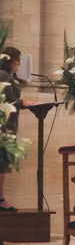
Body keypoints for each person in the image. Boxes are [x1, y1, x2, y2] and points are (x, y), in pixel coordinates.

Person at [0, 47, 24, 212]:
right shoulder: (3, 75)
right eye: (18, 60)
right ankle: (0, 199)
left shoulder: (6, 75)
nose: (19, 64)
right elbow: (9, 101)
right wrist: (24, 103)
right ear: (12, 60)